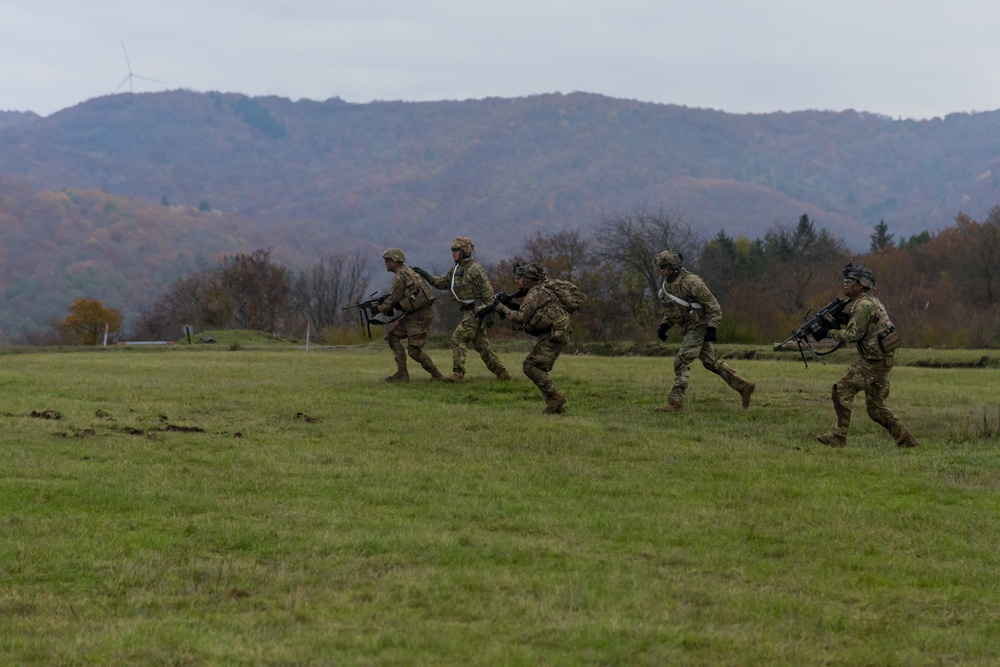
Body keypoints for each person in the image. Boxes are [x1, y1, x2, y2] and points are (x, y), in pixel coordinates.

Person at [814, 264, 919, 448]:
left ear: (861, 284)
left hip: (873, 362)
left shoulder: (863, 305)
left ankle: (838, 437)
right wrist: (845, 320)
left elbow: (853, 335)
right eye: (845, 280)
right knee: (875, 409)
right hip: (883, 360)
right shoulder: (870, 302)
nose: (845, 284)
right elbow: (865, 327)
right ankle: (906, 439)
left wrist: (828, 332)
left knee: (842, 389)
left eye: (850, 280)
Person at [654, 248, 755, 412]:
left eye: (664, 267)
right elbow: (674, 310)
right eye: (661, 268)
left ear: (673, 266)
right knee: (711, 363)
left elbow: (714, 307)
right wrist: (664, 326)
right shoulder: (668, 286)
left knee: (681, 361)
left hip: (698, 327)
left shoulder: (692, 283)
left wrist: (711, 329)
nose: (662, 271)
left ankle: (675, 403)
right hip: (688, 328)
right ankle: (744, 386)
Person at [412, 237, 512, 382]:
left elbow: (488, 293)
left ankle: (458, 374)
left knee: (458, 338)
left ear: (464, 251)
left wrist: (488, 312)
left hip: (476, 311)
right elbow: (441, 283)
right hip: (468, 312)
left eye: (456, 250)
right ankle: (502, 374)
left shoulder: (474, 269)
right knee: (481, 345)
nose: (453, 253)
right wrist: (425, 274)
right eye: (452, 250)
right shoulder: (456, 270)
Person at [489, 262, 570, 414]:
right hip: (555, 333)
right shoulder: (540, 289)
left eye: (519, 277)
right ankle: (556, 407)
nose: (516, 280)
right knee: (536, 367)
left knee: (530, 366)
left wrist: (501, 308)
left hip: (553, 335)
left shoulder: (535, 292)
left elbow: (520, 318)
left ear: (528, 278)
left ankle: (555, 398)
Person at [375, 247, 444, 382]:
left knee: (414, 350)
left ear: (395, 261)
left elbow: (394, 298)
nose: (386, 263)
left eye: (388, 260)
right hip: (415, 315)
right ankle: (402, 373)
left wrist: (379, 308)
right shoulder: (409, 272)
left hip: (419, 316)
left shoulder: (401, 276)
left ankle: (437, 375)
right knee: (393, 337)